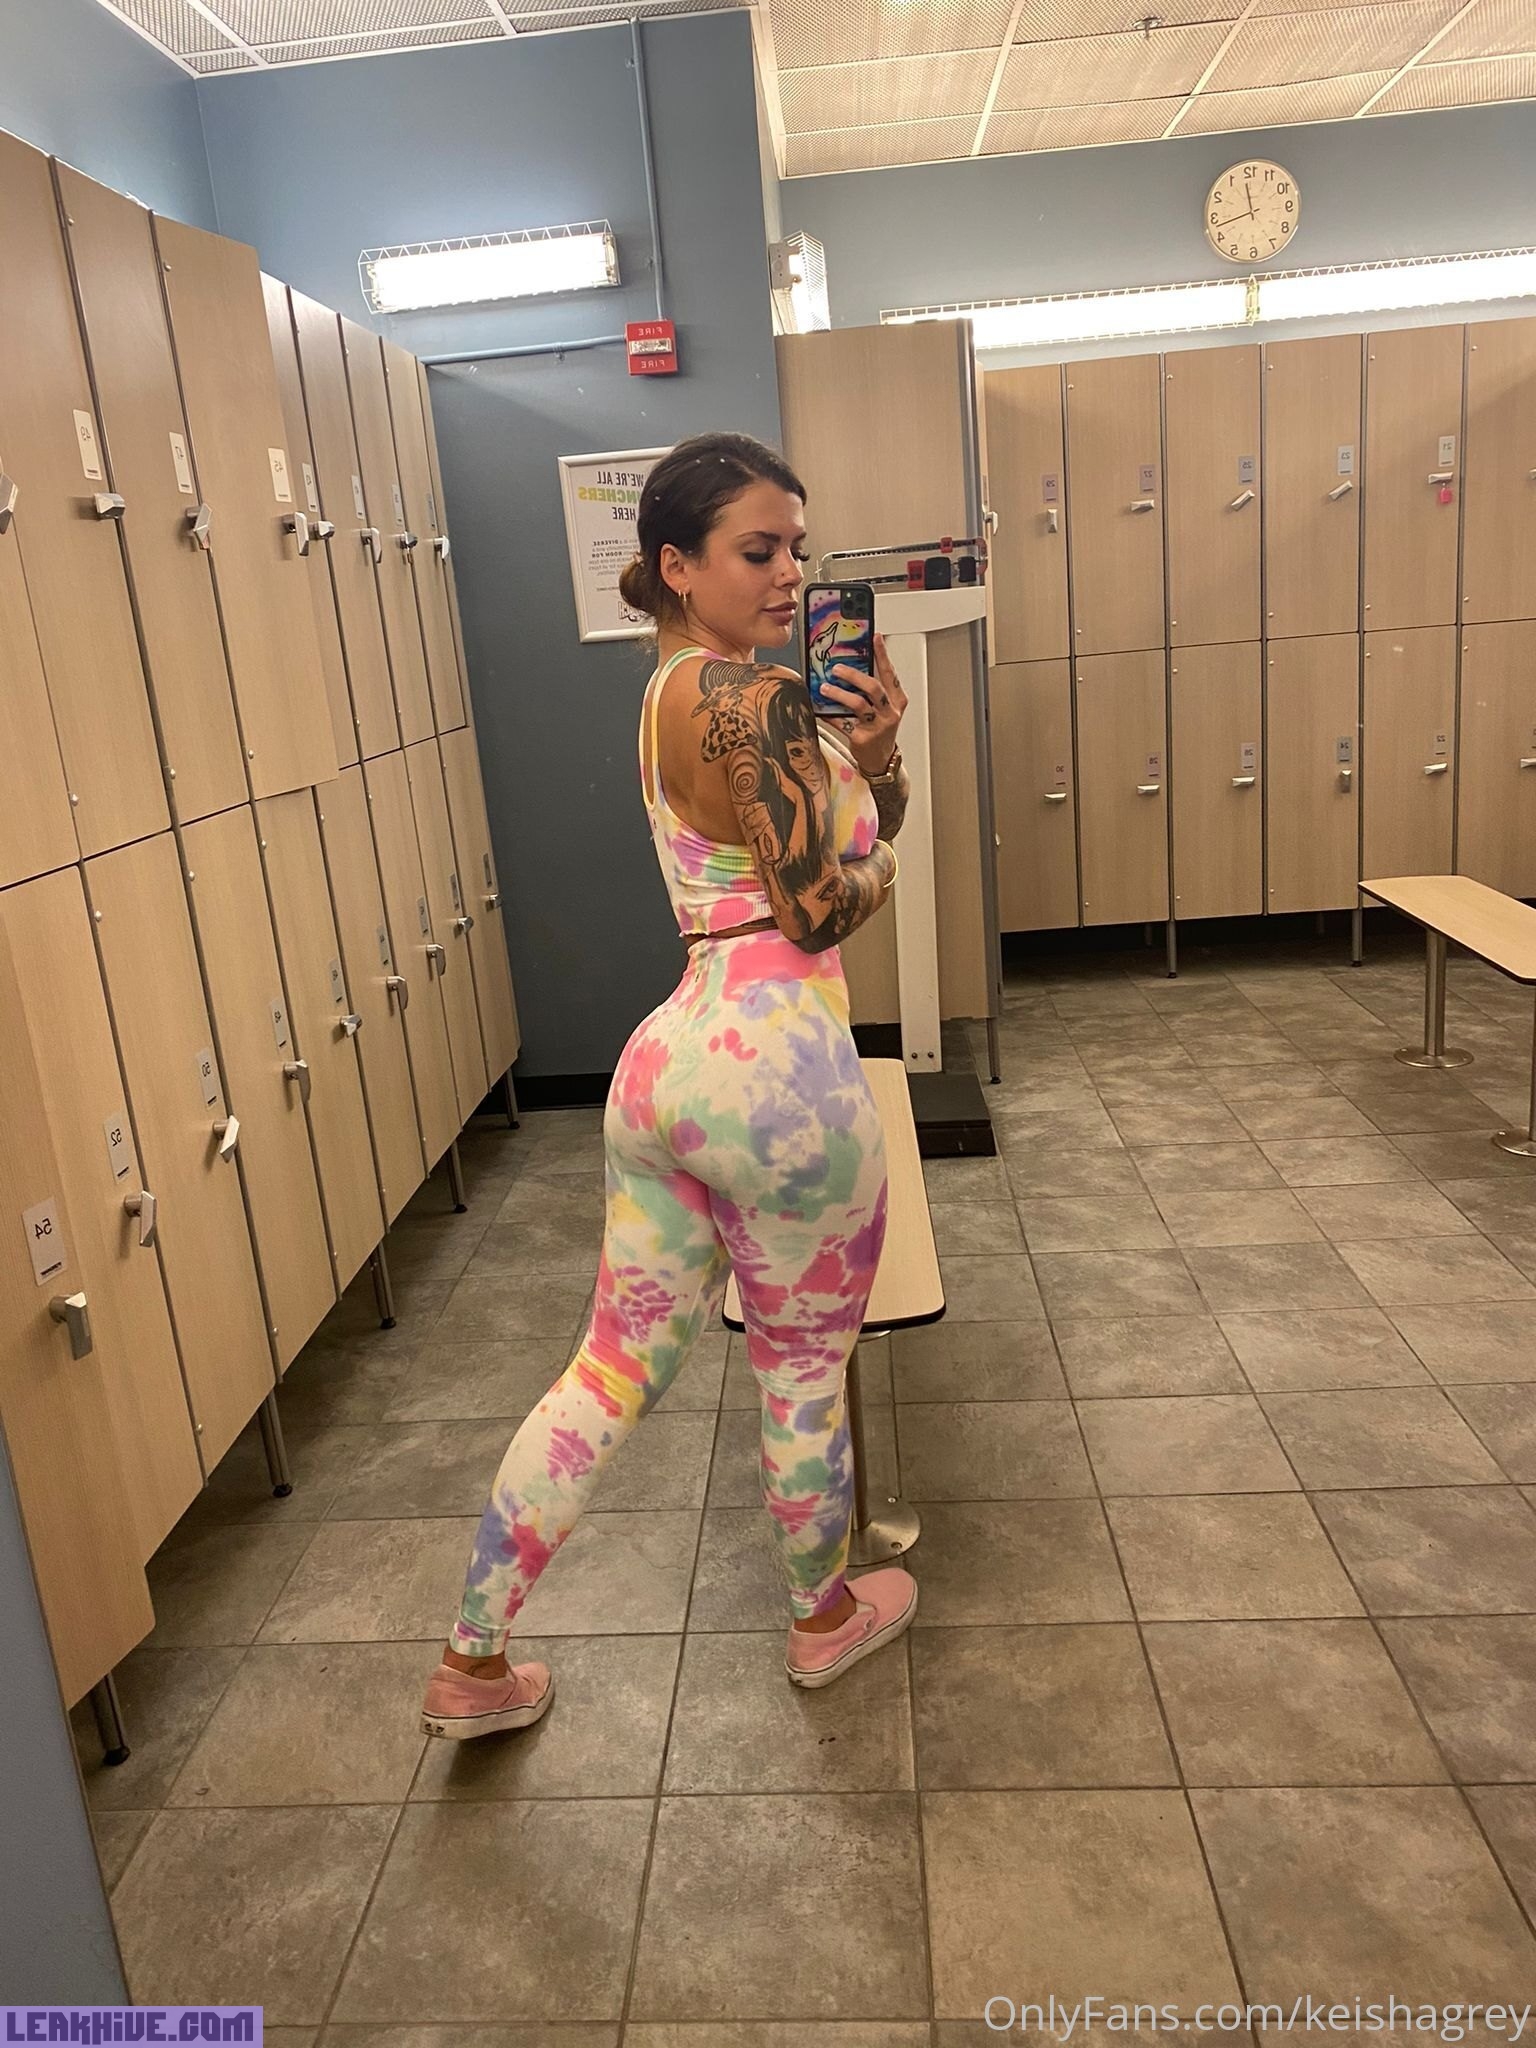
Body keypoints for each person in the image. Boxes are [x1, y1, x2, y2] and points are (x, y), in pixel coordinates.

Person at [420, 432, 914, 1741]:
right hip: (783, 1078)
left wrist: (871, 762)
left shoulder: (665, 696)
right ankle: (821, 1619)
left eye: (797, 547)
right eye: (759, 549)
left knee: (607, 1370)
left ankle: (473, 1659)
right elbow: (820, 905)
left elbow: (784, 860)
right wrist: (880, 840)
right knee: (801, 1373)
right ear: (677, 564)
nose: (790, 571)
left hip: (670, 1064)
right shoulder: (761, 701)